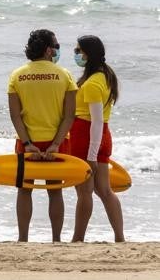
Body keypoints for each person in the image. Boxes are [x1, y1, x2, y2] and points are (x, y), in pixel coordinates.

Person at [7, 29, 77, 242]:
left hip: (27, 141)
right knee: (55, 191)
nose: (57, 50)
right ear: (48, 50)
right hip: (55, 142)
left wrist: (27, 143)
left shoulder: (17, 75)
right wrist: (56, 144)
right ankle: (56, 239)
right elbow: (69, 116)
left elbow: (15, 116)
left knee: (24, 191)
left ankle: (23, 239)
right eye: (56, 46)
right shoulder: (64, 75)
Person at [70, 35, 124, 242]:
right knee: (104, 190)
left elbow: (96, 120)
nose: (76, 54)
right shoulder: (104, 76)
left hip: (88, 136)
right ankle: (120, 237)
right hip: (100, 136)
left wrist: (91, 154)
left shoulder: (93, 83)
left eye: (78, 51)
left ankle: (78, 238)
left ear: (88, 53)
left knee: (85, 191)